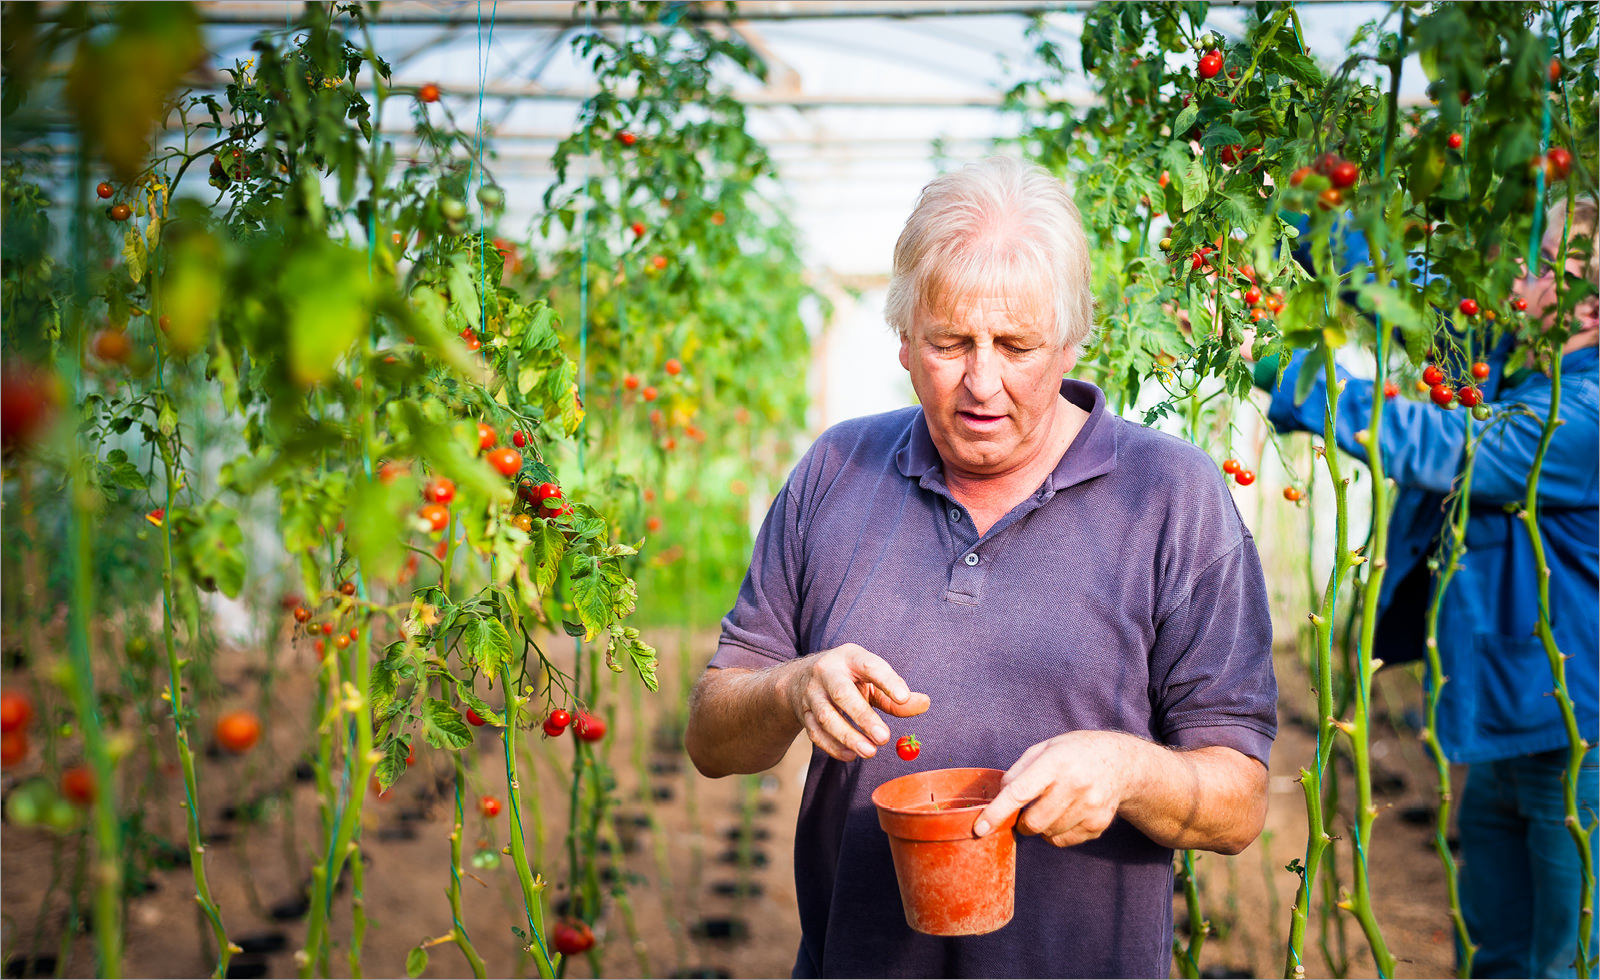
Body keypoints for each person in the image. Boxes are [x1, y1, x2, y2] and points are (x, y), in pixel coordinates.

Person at [684, 156, 1278, 978]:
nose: (982, 382)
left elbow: (1238, 801)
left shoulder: (1171, 496)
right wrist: (792, 688)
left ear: (1074, 340)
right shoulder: (836, 472)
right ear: (901, 339)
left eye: (1017, 344)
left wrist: (1129, 769)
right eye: (950, 342)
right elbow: (713, 736)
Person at [1251, 198, 1599, 978]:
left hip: (1584, 739)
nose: (1518, 271)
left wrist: (1308, 381)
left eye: (1545, 264)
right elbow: (1401, 293)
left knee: (1570, 958)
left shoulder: (1585, 411)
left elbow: (1447, 443)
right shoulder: (1508, 358)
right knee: (1497, 948)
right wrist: (1300, 209)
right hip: (1511, 720)